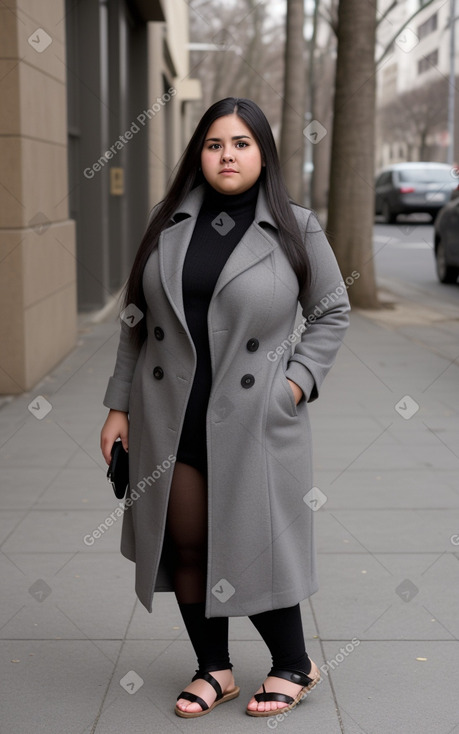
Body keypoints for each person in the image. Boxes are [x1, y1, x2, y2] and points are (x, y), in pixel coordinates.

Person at [100, 97, 350, 719]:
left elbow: (331, 311)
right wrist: (117, 406)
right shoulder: (168, 220)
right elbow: (136, 320)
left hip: (255, 420)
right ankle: (214, 668)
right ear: (199, 154)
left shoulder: (296, 226)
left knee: (256, 541)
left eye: (241, 143)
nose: (227, 155)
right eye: (215, 144)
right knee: (186, 544)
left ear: (262, 153)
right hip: (169, 414)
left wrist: (293, 385)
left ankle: (295, 663)